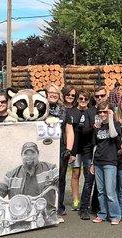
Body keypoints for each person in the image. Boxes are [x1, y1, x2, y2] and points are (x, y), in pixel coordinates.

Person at [0, 142, 57, 230]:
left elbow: (60, 181)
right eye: (26, 154)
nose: (29, 157)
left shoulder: (50, 168)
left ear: (38, 154)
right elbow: (0, 190)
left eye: (33, 153)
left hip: (46, 215)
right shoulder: (11, 175)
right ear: (21, 155)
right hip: (18, 218)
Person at [45, 84, 75, 222]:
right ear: (45, 94)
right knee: (44, 178)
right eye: (50, 92)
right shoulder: (40, 108)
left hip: (60, 148)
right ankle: (44, 207)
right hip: (44, 148)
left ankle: (58, 206)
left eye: (56, 93)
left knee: (60, 179)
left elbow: (69, 131)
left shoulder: (64, 110)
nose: (53, 94)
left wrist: (69, 149)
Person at [89, 101, 122, 225]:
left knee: (110, 191)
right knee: (101, 191)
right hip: (98, 162)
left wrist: (111, 118)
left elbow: (113, 135)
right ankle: (102, 213)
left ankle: (115, 215)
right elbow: (95, 146)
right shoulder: (97, 128)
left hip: (110, 162)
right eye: (100, 112)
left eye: (105, 111)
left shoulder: (116, 125)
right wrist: (92, 163)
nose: (103, 114)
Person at [68, 90, 97, 220]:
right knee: (75, 174)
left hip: (87, 148)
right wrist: (71, 151)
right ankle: (76, 199)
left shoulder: (92, 112)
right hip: (75, 147)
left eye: (86, 99)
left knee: (89, 176)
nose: (83, 101)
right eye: (81, 98)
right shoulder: (72, 112)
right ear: (77, 99)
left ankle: (89, 205)